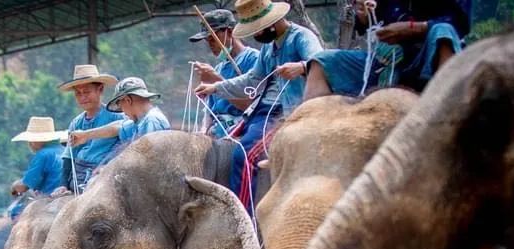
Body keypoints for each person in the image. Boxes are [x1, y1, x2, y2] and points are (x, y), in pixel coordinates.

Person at [194, 0, 322, 203]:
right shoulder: (269, 48)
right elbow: (252, 79)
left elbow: (322, 62)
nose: (255, 36)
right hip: (261, 111)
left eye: (258, 30)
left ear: (271, 23)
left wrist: (302, 67)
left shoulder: (301, 37)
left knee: (244, 156)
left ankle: (245, 217)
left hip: (284, 113)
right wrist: (215, 88)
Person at [304, 0, 469, 99]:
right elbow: (369, 20)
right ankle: (310, 132)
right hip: (389, 61)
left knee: (443, 31)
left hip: (429, 59)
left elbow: (460, 22)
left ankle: (446, 108)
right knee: (321, 62)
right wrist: (364, 13)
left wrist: (414, 28)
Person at [189, 8, 261, 138]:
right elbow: (210, 111)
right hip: (216, 133)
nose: (210, 44)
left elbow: (252, 107)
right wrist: (203, 129)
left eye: (213, 39)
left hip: (241, 133)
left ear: (229, 31)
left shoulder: (254, 60)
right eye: (207, 40)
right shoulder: (219, 68)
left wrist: (217, 81)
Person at [57, 65, 126, 193]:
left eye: (87, 92)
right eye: (78, 93)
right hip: (78, 177)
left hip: (103, 176)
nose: (82, 97)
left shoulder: (117, 117)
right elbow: (68, 157)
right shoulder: (76, 123)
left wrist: (106, 167)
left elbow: (123, 148)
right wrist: (63, 185)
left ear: (100, 89)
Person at [67, 77, 170, 153]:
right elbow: (118, 127)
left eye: (121, 107)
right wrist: (85, 135)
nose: (123, 112)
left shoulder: (152, 121)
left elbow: (146, 159)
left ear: (128, 100)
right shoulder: (140, 121)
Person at [8, 116, 67, 218]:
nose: (29, 144)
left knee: (16, 213)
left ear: (37, 140)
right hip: (67, 197)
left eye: (31, 140)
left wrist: (14, 186)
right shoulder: (65, 150)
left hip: (50, 199)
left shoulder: (43, 154)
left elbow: (23, 186)